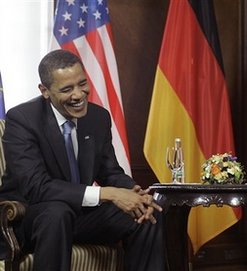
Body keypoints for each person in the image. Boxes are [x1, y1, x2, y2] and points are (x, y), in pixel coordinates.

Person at [0, 49, 165, 271]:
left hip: (80, 214)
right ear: (45, 91)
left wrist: (133, 193)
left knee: (146, 214)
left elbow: (110, 172)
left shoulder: (98, 117)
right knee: (57, 212)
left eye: (82, 83)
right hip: (31, 216)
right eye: (67, 89)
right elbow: (36, 187)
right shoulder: (22, 119)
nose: (78, 95)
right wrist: (107, 193)